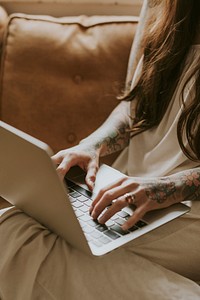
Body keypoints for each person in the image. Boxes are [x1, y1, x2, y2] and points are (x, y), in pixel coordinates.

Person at [1, 1, 200, 299]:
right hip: (127, 186)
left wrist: (166, 188)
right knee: (12, 224)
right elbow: (135, 106)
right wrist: (91, 146)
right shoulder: (162, 4)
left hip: (191, 209)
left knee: (20, 239)